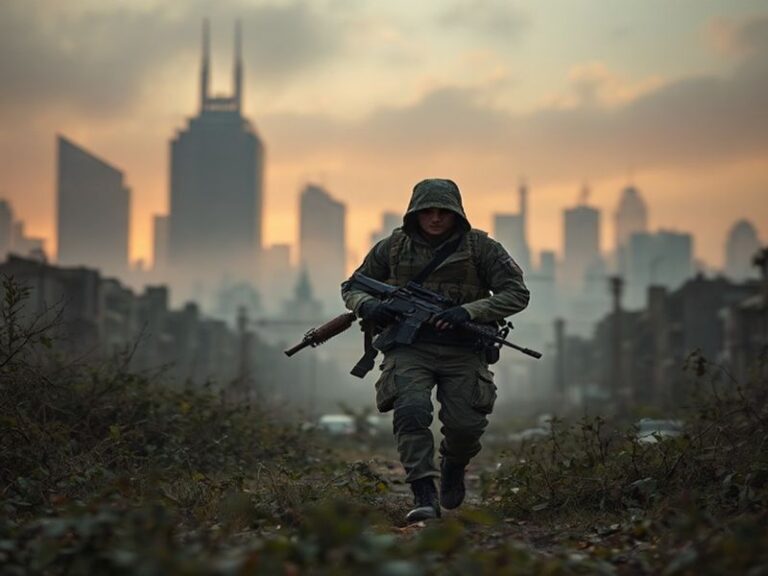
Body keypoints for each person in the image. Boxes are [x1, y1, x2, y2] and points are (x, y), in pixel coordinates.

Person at [341, 178, 530, 522]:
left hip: (464, 349)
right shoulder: (393, 248)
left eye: (443, 211)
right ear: (415, 213)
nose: (436, 218)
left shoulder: (481, 249)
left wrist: (468, 311)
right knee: (411, 412)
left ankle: (453, 465)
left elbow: (517, 293)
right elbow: (353, 286)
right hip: (408, 347)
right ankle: (424, 493)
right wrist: (368, 306)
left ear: (457, 213)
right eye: (427, 211)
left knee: (465, 426)